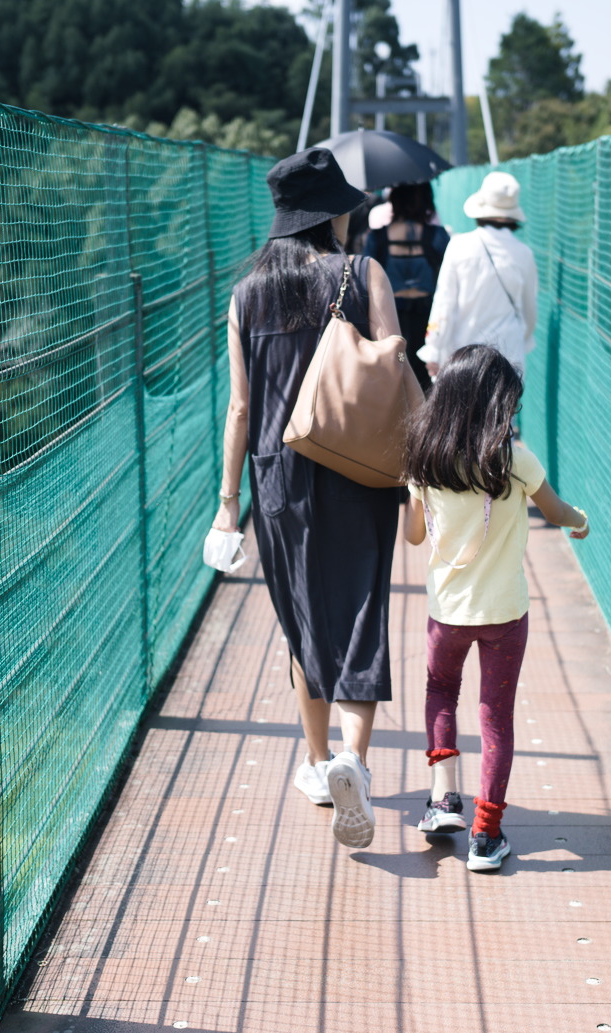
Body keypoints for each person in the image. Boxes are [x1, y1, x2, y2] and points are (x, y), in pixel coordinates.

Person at [211, 147, 406, 849]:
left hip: (277, 477)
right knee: (359, 606)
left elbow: (239, 406)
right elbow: (392, 362)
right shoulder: (363, 273)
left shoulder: (245, 294)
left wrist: (227, 503)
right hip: (357, 464)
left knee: (302, 618)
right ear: (333, 215)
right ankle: (355, 756)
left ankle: (320, 763)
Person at [402, 344, 590, 871]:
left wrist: (420, 502)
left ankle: (442, 801)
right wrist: (579, 519)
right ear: (496, 405)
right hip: (505, 614)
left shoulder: (425, 455)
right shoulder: (512, 458)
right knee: (495, 719)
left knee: (441, 693)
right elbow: (554, 512)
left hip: (448, 613)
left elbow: (414, 536)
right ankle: (486, 837)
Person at [420, 171, 537, 382]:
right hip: (509, 358)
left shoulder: (459, 246)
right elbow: (529, 312)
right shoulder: (524, 254)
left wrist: (434, 349)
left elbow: (444, 305)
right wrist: (524, 340)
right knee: (502, 414)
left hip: (463, 355)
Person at [364, 182, 450, 391]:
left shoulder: (378, 237)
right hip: (430, 318)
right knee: (426, 382)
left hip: (390, 317)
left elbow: (366, 277)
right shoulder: (437, 236)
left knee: (396, 376)